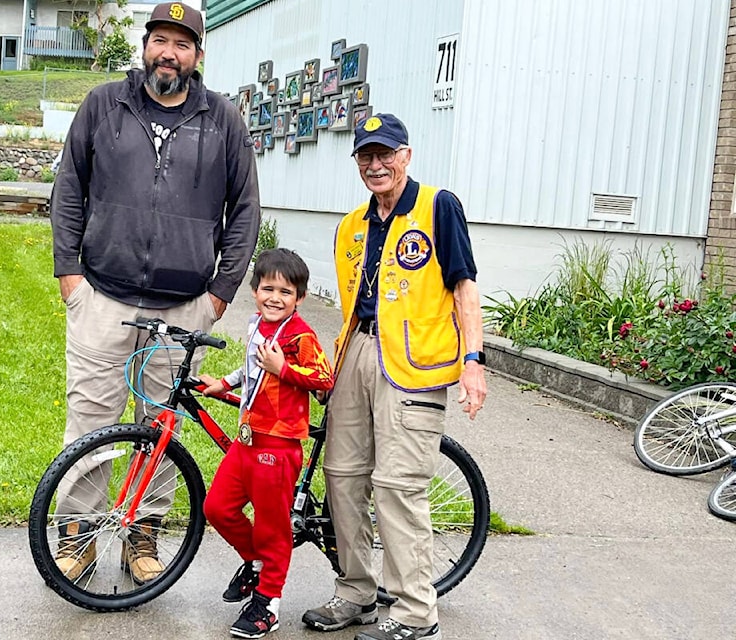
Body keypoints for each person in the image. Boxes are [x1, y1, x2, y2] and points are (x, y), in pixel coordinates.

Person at [48, 1, 260, 585]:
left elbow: (244, 212)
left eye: (182, 43)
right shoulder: (103, 106)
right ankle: (80, 537)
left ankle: (144, 535)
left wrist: (218, 296)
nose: (169, 52)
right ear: (146, 46)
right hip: (103, 300)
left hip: (183, 305)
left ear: (198, 55)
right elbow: (69, 188)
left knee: (162, 425)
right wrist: (70, 274)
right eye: (160, 40)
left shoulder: (223, 121)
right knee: (91, 423)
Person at [302, 113, 487, 640]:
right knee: (342, 477)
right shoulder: (351, 225)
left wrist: (472, 361)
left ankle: (413, 612)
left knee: (398, 487)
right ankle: (356, 592)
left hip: (413, 364)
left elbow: (463, 289)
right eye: (366, 156)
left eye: (386, 154)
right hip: (357, 353)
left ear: (406, 155)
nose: (376, 164)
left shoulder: (438, 206)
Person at [198, 248, 334, 639]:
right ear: (255, 290)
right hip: (248, 439)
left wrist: (284, 369)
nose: (275, 297)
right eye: (267, 288)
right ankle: (256, 564)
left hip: (278, 444)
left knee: (273, 528)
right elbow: (252, 368)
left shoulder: (300, 335)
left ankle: (268, 604)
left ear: (300, 298)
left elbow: (323, 378)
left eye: (285, 292)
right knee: (218, 508)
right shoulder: (257, 324)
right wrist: (223, 383)